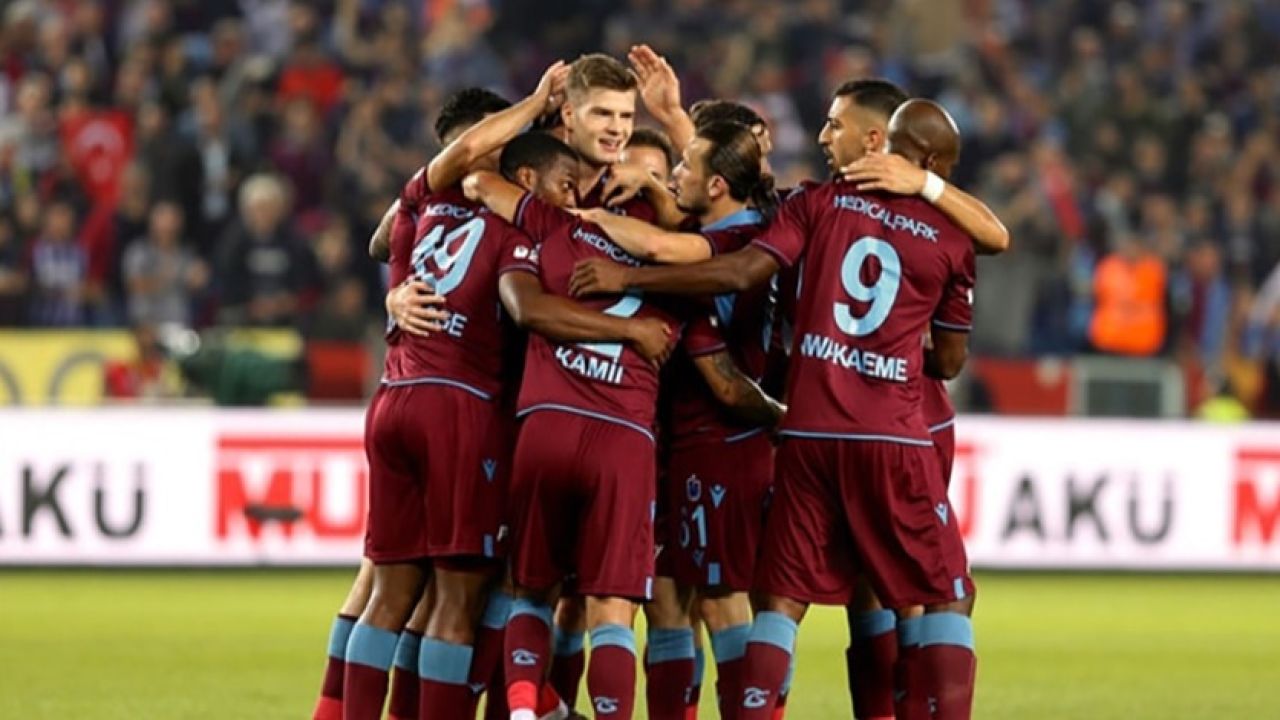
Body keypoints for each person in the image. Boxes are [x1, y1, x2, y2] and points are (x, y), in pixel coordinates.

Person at [569, 95, 981, 720]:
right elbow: (950, 356)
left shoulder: (813, 204)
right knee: (930, 594)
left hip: (804, 428)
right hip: (895, 429)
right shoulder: (952, 235)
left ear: (880, 143)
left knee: (776, 601)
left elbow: (735, 262)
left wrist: (627, 273)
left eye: (835, 124)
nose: (822, 136)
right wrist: (881, 350)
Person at [326, 74, 671, 720]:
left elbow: (388, 239)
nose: (616, 127)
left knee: (402, 588)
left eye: (623, 116)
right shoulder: (515, 212)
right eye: (603, 113)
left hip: (409, 394)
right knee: (459, 594)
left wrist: (399, 286)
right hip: (478, 407)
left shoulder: (439, 201)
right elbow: (520, 300)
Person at [572, 119, 786, 719]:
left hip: (720, 447)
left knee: (722, 601)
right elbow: (683, 224)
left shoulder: (724, 250)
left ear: (717, 184)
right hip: (681, 448)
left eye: (683, 168)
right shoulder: (742, 226)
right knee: (667, 598)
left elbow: (668, 249)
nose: (674, 179)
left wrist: (591, 224)